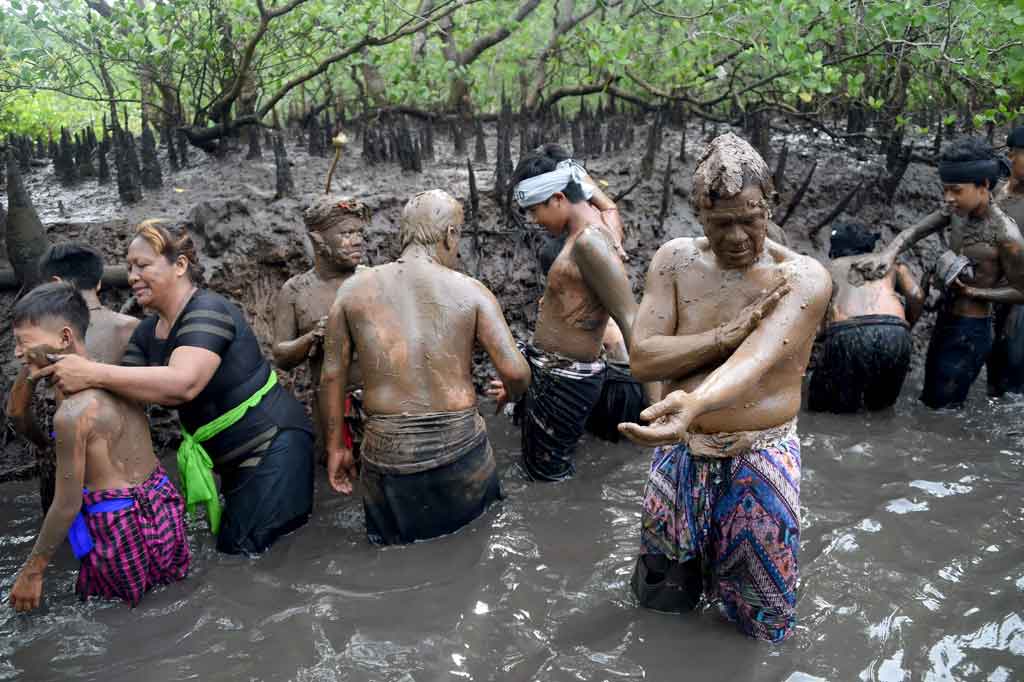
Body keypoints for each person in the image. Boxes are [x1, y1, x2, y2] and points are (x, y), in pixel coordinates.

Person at [619, 133, 831, 642]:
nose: (737, 236)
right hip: (681, 450)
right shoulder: (674, 261)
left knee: (759, 621)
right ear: (699, 216)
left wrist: (695, 399)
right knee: (659, 602)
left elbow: (759, 358)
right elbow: (643, 358)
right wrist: (722, 336)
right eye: (721, 224)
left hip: (760, 453)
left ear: (769, 207)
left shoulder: (801, 277)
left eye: (750, 220)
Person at [32, 221, 314, 555]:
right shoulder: (148, 332)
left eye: (143, 265)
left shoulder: (208, 310)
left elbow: (183, 384)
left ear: (180, 265)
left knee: (244, 553)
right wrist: (63, 361)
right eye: (130, 267)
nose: (132, 276)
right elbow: (122, 396)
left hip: (273, 446)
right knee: (244, 551)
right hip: (226, 458)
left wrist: (90, 371)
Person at [320, 190, 530, 544]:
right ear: (450, 234)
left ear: (404, 235)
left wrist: (335, 447)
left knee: (390, 553)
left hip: (387, 452)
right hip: (459, 446)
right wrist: (513, 393)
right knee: (473, 547)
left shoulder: (353, 290)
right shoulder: (472, 290)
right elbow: (516, 371)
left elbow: (330, 376)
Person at [8, 283, 189, 611]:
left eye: (23, 342)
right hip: (163, 509)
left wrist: (32, 572)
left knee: (121, 621)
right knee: (170, 605)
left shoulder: (73, 413)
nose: (18, 353)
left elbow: (65, 506)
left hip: (118, 532)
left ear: (64, 338)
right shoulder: (119, 378)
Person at [854, 137, 1024, 408]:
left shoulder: (1006, 234)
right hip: (946, 319)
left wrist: (974, 292)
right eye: (945, 190)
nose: (948, 198)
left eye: (956, 190)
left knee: (943, 409)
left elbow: (1021, 291)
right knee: (930, 400)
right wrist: (887, 254)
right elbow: (915, 231)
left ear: (983, 186)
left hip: (972, 329)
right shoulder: (955, 212)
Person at [511, 145, 638, 481]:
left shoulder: (587, 243)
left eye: (535, 210)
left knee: (545, 476)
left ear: (557, 198)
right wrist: (576, 177)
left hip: (563, 379)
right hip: (570, 373)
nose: (534, 220)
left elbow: (630, 319)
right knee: (555, 465)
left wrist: (656, 408)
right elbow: (608, 204)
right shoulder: (605, 226)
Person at [5, 242, 140, 514]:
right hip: (132, 463)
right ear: (99, 282)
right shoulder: (134, 329)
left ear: (54, 284)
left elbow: (16, 412)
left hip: (72, 462)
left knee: (70, 540)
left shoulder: (44, 342)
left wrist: (46, 446)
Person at [273, 195, 369, 461]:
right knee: (339, 480)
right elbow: (281, 356)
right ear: (318, 240)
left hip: (381, 401)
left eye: (360, 232)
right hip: (330, 409)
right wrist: (313, 337)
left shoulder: (372, 280)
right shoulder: (295, 291)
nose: (358, 240)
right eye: (347, 233)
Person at [535, 235, 648, 442]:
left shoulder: (573, 297)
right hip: (635, 379)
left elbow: (606, 342)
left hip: (617, 384)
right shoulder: (607, 281)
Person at [808, 221, 924, 412]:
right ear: (870, 246)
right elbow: (917, 295)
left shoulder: (830, 268)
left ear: (835, 250)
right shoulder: (890, 264)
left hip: (848, 333)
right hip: (895, 332)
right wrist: (907, 325)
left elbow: (819, 315)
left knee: (826, 408)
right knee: (880, 408)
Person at [983, 126, 1024, 396]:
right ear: (1011, 156)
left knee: (1014, 379)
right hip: (993, 293)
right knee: (995, 377)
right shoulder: (994, 194)